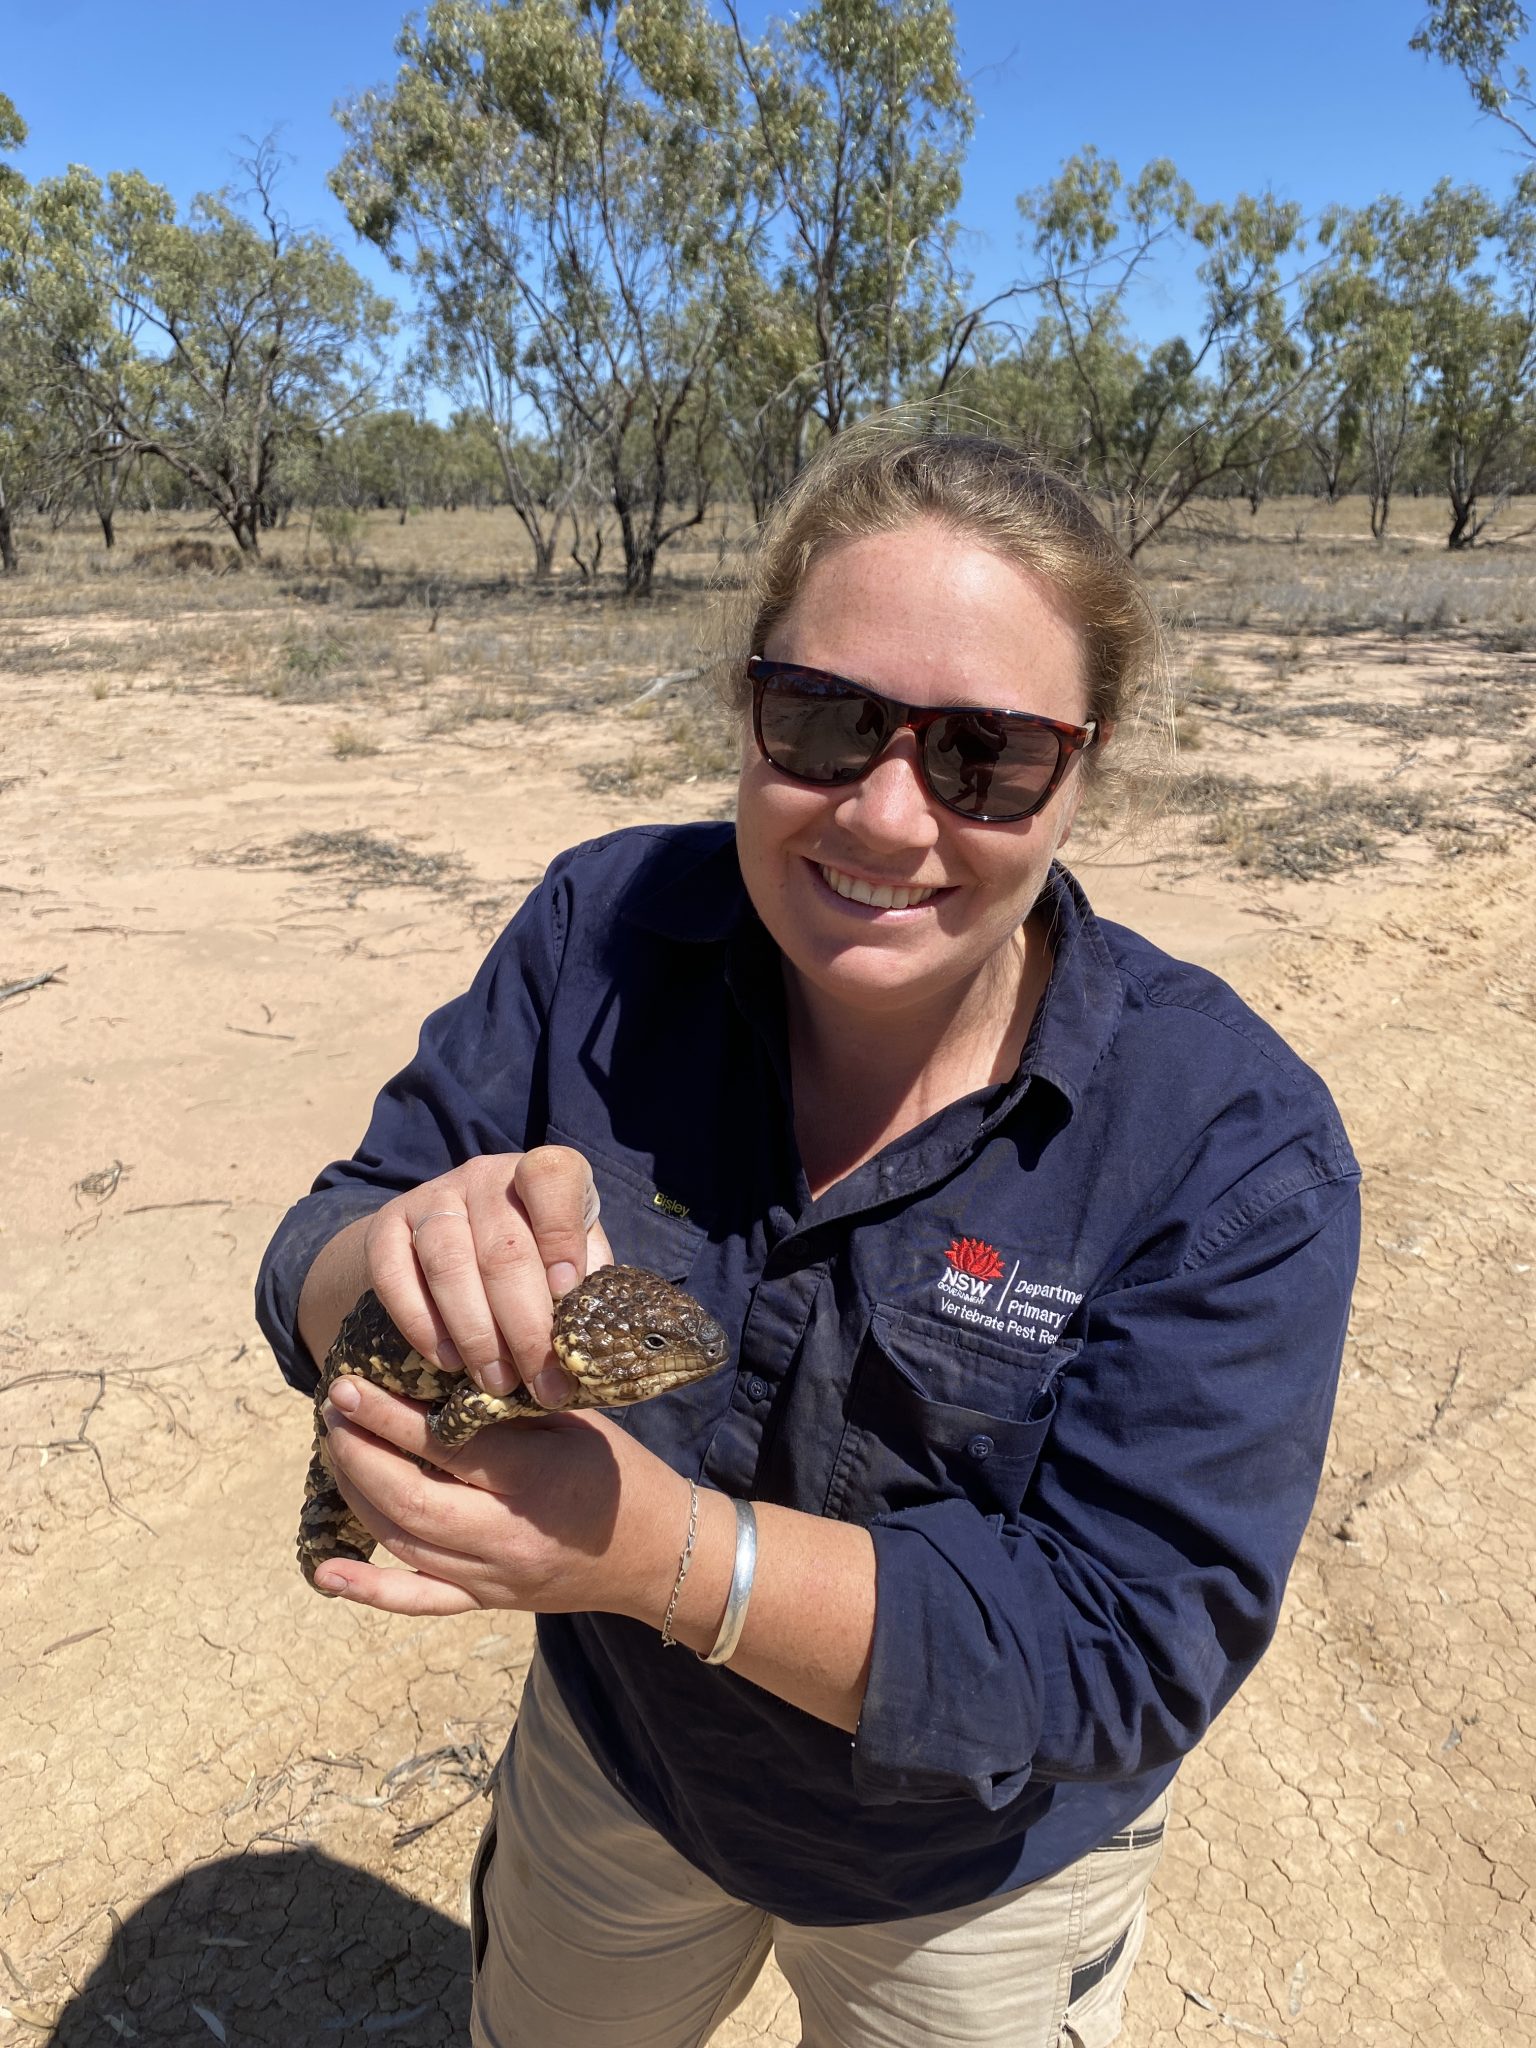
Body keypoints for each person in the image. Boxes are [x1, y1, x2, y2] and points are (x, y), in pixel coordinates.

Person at [256, 427, 1360, 2048]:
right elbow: (325, 1243)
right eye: (827, 722)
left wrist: (658, 1556)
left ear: (1084, 767)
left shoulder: (1230, 1146)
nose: (890, 817)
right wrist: (391, 1269)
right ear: (748, 705)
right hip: (622, 1773)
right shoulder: (598, 936)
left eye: (985, 755)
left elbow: (1123, 1649)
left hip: (971, 1867)